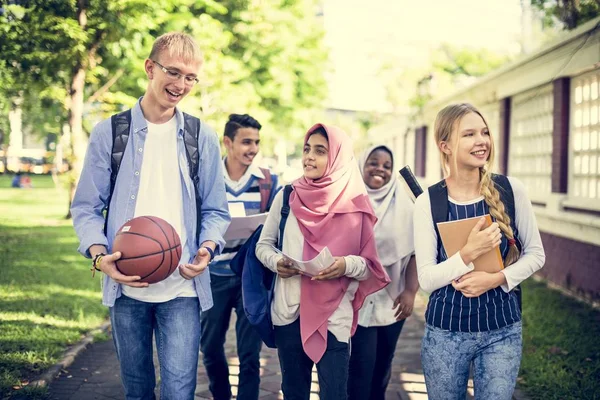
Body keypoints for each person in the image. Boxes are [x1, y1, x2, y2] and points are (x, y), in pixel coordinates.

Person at [71, 32, 230, 400]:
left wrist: (206, 248)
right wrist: (99, 255)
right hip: (126, 287)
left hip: (181, 290)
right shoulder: (110, 133)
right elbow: (86, 207)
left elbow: (215, 209)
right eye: (173, 73)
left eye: (191, 77)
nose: (181, 85)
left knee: (179, 392)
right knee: (138, 390)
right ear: (149, 68)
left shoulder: (200, 136)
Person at [414, 103, 545, 399]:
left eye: (484, 132)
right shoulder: (428, 202)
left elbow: (536, 255)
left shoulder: (511, 190)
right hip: (445, 333)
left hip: (502, 330)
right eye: (469, 134)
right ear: (444, 145)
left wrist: (495, 279)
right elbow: (426, 280)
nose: (482, 141)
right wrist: (468, 253)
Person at [255, 124, 390, 400]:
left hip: (334, 317)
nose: (309, 157)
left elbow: (368, 266)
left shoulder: (356, 204)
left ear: (338, 157)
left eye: (320, 151)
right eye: (306, 149)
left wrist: (343, 265)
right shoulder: (287, 195)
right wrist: (276, 262)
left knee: (335, 393)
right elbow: (263, 245)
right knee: (293, 392)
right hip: (289, 313)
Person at [200, 113, 279, 400]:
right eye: (246, 142)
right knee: (209, 346)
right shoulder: (207, 181)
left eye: (257, 142)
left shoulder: (269, 182)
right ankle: (220, 395)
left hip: (250, 278)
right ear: (228, 143)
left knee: (250, 354)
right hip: (213, 275)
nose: (253, 149)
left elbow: (277, 227)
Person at [348, 145, 419, 400]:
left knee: (382, 369)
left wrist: (410, 292)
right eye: (373, 162)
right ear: (361, 165)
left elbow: (415, 254)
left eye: (387, 166)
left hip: (393, 301)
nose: (380, 169)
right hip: (357, 301)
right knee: (360, 369)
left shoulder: (407, 207)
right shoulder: (348, 202)